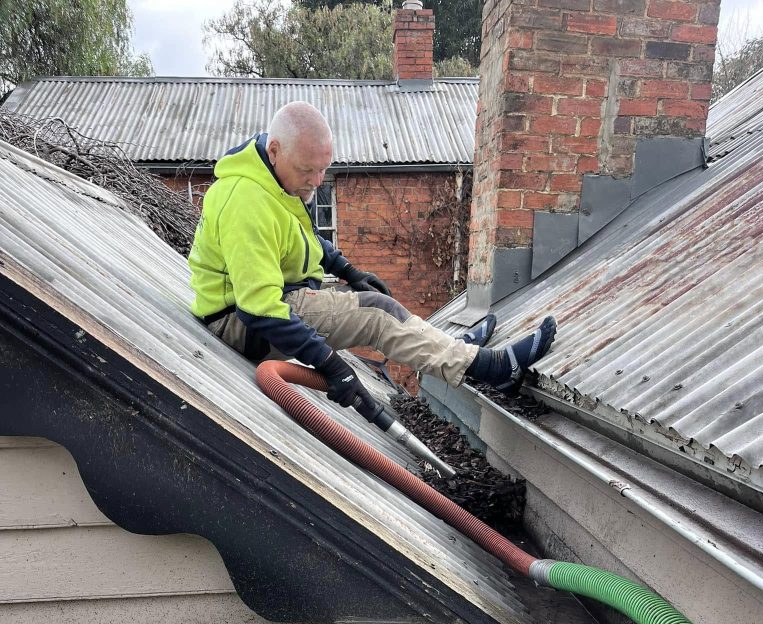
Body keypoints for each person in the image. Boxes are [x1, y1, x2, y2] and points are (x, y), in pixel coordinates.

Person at [188, 101, 557, 418]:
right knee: (377, 313)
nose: (317, 181)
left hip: (274, 296)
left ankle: (459, 350)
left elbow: (302, 240)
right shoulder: (246, 202)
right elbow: (258, 308)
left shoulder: (279, 180)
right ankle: (492, 368)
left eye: (323, 169)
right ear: (274, 150)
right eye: (308, 171)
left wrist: (348, 271)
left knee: (380, 301)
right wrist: (332, 366)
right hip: (243, 323)